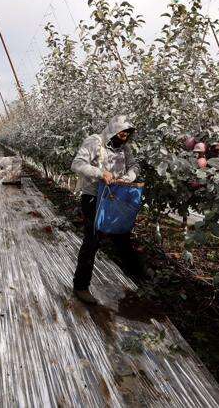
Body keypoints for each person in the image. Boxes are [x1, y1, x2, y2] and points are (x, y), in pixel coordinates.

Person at [70, 115, 144, 305]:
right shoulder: (94, 142)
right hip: (94, 197)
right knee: (92, 240)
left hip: (115, 196)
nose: (125, 138)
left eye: (127, 134)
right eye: (122, 133)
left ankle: (139, 274)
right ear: (113, 130)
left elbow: (134, 165)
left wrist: (130, 175)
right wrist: (100, 173)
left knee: (121, 235)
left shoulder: (124, 148)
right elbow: (77, 164)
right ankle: (81, 286)